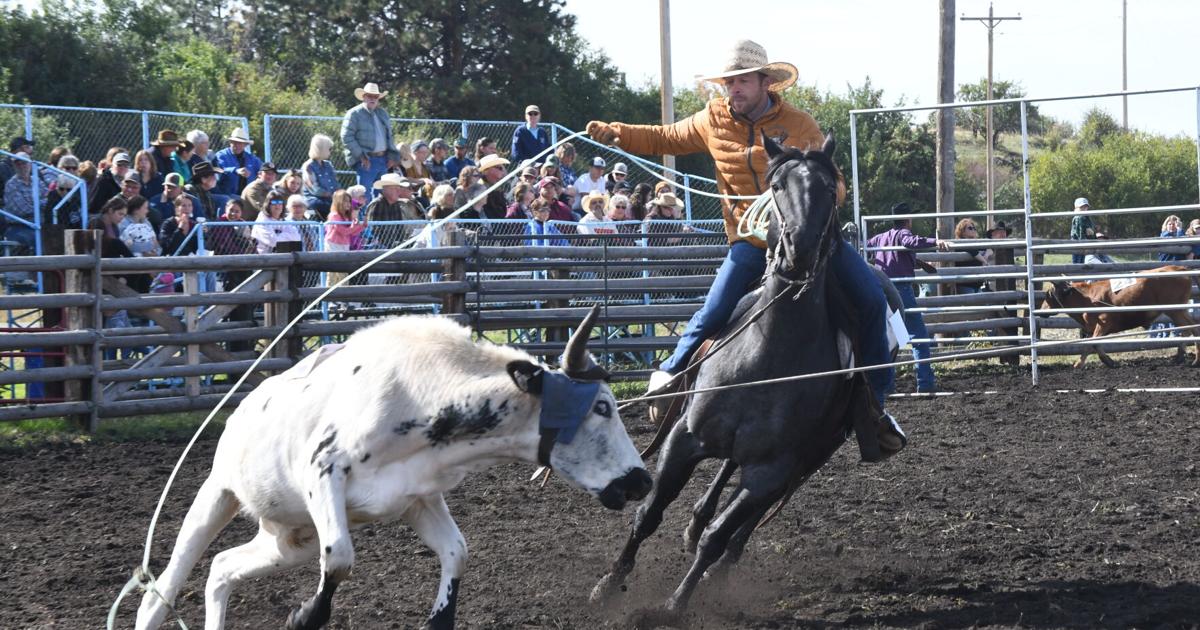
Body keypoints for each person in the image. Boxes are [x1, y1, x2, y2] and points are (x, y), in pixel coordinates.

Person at [587, 40, 907, 436]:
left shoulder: (800, 124)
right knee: (714, 311)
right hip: (751, 242)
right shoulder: (712, 118)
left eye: (741, 81)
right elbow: (664, 138)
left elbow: (834, 180)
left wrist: (821, 192)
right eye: (728, 82)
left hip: (814, 243)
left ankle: (876, 404)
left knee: (873, 300)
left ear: (765, 82)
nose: (732, 89)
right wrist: (617, 133)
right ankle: (671, 377)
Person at [866, 209, 951, 393]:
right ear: (908, 219)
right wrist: (935, 241)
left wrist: (916, 262)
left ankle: (887, 385)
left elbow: (867, 246)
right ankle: (925, 383)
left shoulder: (881, 238)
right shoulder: (904, 233)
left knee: (893, 339)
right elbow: (909, 242)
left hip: (885, 291)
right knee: (919, 337)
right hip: (902, 292)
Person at [341, 82, 400, 195]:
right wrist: (361, 156)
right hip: (366, 161)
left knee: (382, 196)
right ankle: (361, 213)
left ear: (378, 98)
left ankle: (377, 213)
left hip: (383, 160)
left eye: (375, 96)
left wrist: (392, 156)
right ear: (364, 97)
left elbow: (389, 136)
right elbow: (346, 137)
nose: (372, 99)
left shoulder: (383, 113)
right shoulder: (354, 114)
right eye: (369, 96)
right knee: (363, 195)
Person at [365, 173, 425, 247]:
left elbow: (400, 229)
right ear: (385, 189)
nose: (399, 191)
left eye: (399, 188)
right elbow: (373, 231)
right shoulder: (377, 204)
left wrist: (401, 243)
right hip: (380, 247)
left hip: (395, 245)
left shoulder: (396, 204)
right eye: (395, 188)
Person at [2, 152, 44, 252]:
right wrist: (40, 204)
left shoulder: (37, 181)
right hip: (18, 227)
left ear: (30, 164)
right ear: (14, 166)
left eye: (24, 163)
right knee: (37, 239)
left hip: (38, 225)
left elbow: (49, 200)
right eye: (17, 163)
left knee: (54, 236)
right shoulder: (11, 185)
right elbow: (23, 210)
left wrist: (34, 203)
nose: (21, 166)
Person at [325, 190, 367, 286]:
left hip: (344, 245)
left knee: (344, 272)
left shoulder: (346, 217)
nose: (348, 204)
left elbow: (351, 233)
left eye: (349, 201)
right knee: (333, 273)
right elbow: (343, 232)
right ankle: (330, 297)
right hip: (333, 246)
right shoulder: (334, 216)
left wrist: (362, 226)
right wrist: (353, 226)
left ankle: (342, 295)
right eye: (345, 201)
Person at [212, 128, 263, 197]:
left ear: (245, 145)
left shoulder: (252, 159)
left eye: (240, 143)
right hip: (227, 195)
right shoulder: (221, 155)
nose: (237, 145)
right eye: (234, 142)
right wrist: (235, 170)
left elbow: (262, 170)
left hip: (249, 196)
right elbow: (220, 170)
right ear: (230, 143)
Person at [302, 134, 339, 218]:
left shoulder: (328, 165)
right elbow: (313, 189)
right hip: (315, 200)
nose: (330, 151)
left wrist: (340, 195)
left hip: (330, 199)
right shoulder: (308, 166)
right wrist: (331, 195)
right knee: (332, 207)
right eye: (329, 149)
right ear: (322, 149)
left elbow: (335, 183)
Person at [951, 218, 988, 294]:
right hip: (965, 285)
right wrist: (984, 261)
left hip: (977, 286)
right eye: (970, 228)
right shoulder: (959, 243)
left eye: (974, 228)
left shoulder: (976, 244)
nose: (973, 230)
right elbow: (971, 250)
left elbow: (990, 249)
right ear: (962, 232)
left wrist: (986, 255)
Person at [477, 154, 511, 221]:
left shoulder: (497, 187)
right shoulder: (481, 190)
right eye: (499, 168)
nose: (503, 171)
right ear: (486, 171)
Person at [1069, 197, 1097, 264]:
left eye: (1086, 207)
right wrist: (1084, 244)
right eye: (1082, 207)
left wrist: (1092, 234)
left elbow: (1091, 230)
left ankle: (1079, 273)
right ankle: (1075, 272)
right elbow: (1080, 233)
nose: (1084, 209)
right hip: (1078, 241)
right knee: (1077, 260)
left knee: (1082, 260)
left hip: (1084, 241)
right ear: (1076, 208)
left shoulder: (1086, 217)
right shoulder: (1078, 217)